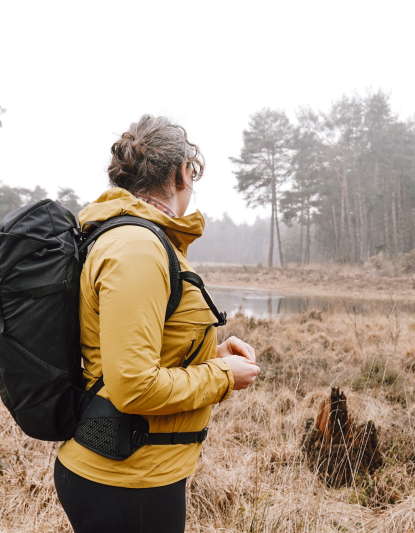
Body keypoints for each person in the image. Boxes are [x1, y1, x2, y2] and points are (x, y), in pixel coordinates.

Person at [54, 115, 261, 532]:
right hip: (126, 480)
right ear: (182, 172)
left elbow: (136, 347)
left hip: (135, 471)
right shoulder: (137, 248)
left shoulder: (139, 239)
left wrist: (208, 354)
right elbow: (133, 385)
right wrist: (221, 375)